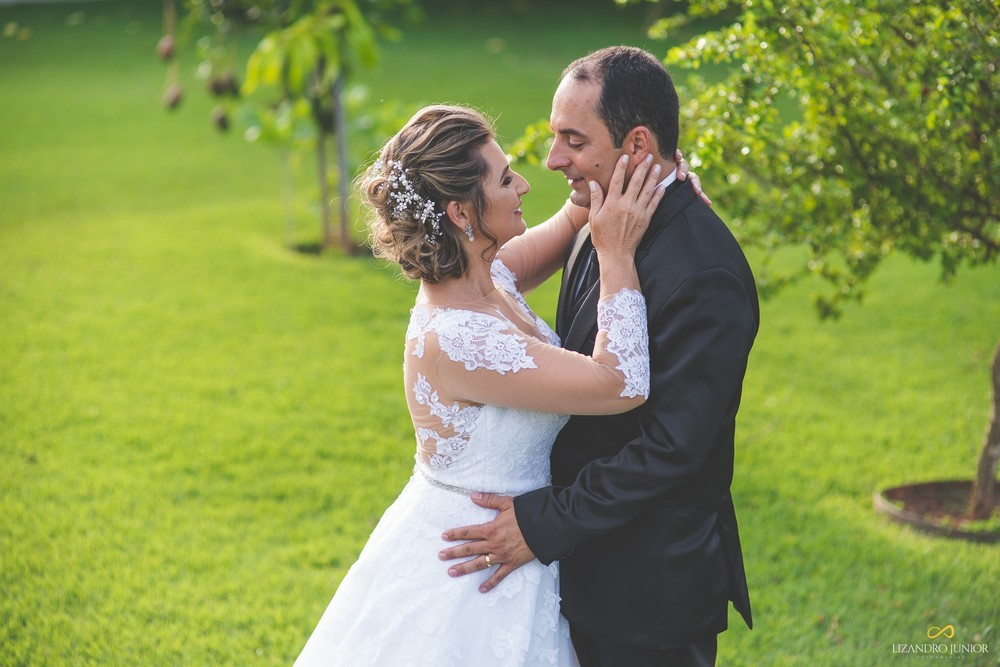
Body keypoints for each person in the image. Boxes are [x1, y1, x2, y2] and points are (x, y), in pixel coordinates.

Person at [294, 103, 705, 666]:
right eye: (507, 178)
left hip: (517, 547)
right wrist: (617, 252)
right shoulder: (458, 339)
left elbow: (568, 219)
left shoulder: (487, 275)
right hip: (476, 573)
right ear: (462, 213)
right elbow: (620, 382)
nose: (525, 185)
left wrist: (646, 186)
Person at [439, 46, 758, 667]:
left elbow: (674, 449)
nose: (554, 159)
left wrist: (541, 524)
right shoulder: (600, 217)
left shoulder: (704, 272)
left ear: (637, 144)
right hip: (577, 578)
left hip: (644, 599)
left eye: (573, 140)